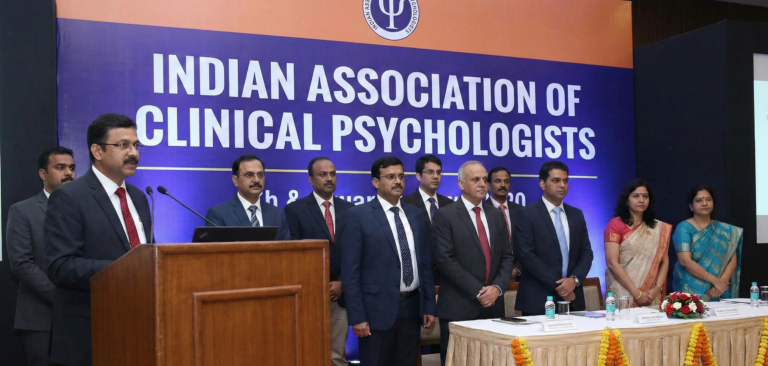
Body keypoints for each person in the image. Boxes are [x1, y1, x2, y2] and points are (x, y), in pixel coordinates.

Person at [45, 114, 152, 366]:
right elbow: (60, 266)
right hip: (90, 335)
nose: (133, 153)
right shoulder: (69, 197)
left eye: (136, 145)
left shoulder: (139, 197)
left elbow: (145, 252)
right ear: (97, 150)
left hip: (138, 333)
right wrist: (128, 269)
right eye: (123, 145)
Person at [340, 156, 435, 366]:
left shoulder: (415, 215)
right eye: (390, 177)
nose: (398, 181)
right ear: (375, 182)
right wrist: (357, 317)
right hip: (375, 313)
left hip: (411, 309)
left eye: (401, 176)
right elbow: (350, 272)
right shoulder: (358, 216)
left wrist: (428, 306)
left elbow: (425, 264)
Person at [431, 161, 514, 366]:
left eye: (485, 179)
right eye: (475, 179)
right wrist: (479, 291)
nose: (482, 184)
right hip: (459, 308)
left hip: (493, 307)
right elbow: (444, 259)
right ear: (461, 184)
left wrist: (496, 288)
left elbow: (507, 257)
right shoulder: (445, 215)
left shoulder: (496, 214)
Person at [7, 146, 76, 366]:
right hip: (41, 320)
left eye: (72, 168)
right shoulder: (22, 210)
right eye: (60, 167)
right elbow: (21, 264)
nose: (69, 173)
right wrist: (62, 297)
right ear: (43, 174)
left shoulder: (84, 211)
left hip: (82, 320)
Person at [284, 157, 354, 366]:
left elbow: (354, 251)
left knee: (337, 356)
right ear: (310, 179)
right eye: (323, 175)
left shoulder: (350, 209)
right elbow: (295, 254)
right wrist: (321, 284)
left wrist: (341, 281)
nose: (329, 178)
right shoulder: (295, 210)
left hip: (341, 295)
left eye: (332, 174)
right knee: (309, 353)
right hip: (309, 294)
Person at [513, 161, 594, 316]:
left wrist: (574, 280)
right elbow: (526, 255)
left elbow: (586, 253)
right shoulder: (527, 214)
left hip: (573, 298)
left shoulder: (576, 214)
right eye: (556, 180)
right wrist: (562, 285)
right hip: (538, 299)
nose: (562, 185)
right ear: (542, 184)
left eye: (565, 181)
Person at [604, 179, 671, 308]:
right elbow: (612, 262)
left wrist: (658, 288)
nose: (641, 200)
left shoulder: (658, 228)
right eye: (636, 196)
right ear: (626, 200)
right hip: (623, 291)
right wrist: (637, 294)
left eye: (645, 196)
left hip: (651, 293)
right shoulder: (615, 225)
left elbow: (664, 261)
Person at [672, 185, 742, 300]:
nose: (704, 203)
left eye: (708, 199)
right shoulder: (684, 228)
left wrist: (721, 284)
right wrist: (715, 281)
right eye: (699, 200)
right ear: (691, 206)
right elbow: (685, 261)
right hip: (690, 290)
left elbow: (732, 260)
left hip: (718, 291)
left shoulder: (724, 230)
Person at [205, 155, 290, 240]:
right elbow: (213, 251)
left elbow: (287, 251)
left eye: (260, 175)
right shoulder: (219, 214)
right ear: (235, 180)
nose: (256, 180)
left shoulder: (278, 214)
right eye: (249, 175)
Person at [486, 166, 523, 281]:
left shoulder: (521, 212)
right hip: (490, 278)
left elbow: (527, 245)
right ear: (488, 185)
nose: (503, 185)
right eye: (498, 181)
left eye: (506, 181)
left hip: (519, 278)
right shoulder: (481, 211)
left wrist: (517, 268)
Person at [400, 154, 454, 230]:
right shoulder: (405, 203)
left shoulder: (449, 204)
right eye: (430, 172)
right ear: (419, 176)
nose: (435, 176)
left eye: (438, 172)